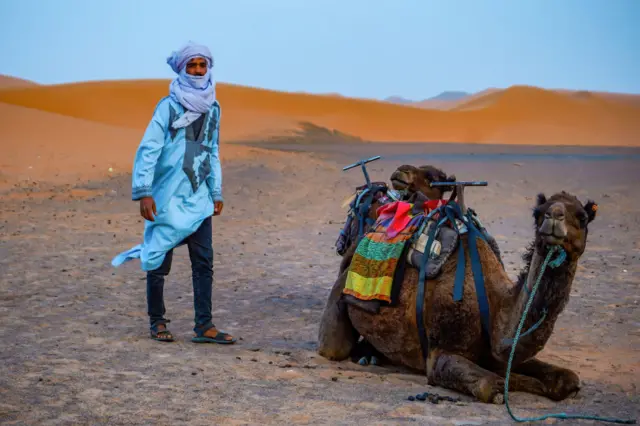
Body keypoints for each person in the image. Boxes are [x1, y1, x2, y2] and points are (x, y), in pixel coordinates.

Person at [111, 41, 235, 345]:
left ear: (208, 68)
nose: (196, 70)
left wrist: (216, 191)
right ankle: (157, 322)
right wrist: (144, 192)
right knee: (157, 258)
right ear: (181, 68)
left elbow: (212, 150)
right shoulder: (168, 106)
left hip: (198, 194)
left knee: (204, 261)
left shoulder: (214, 107)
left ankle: (204, 326)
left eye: (201, 65)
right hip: (166, 194)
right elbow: (149, 149)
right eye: (191, 65)